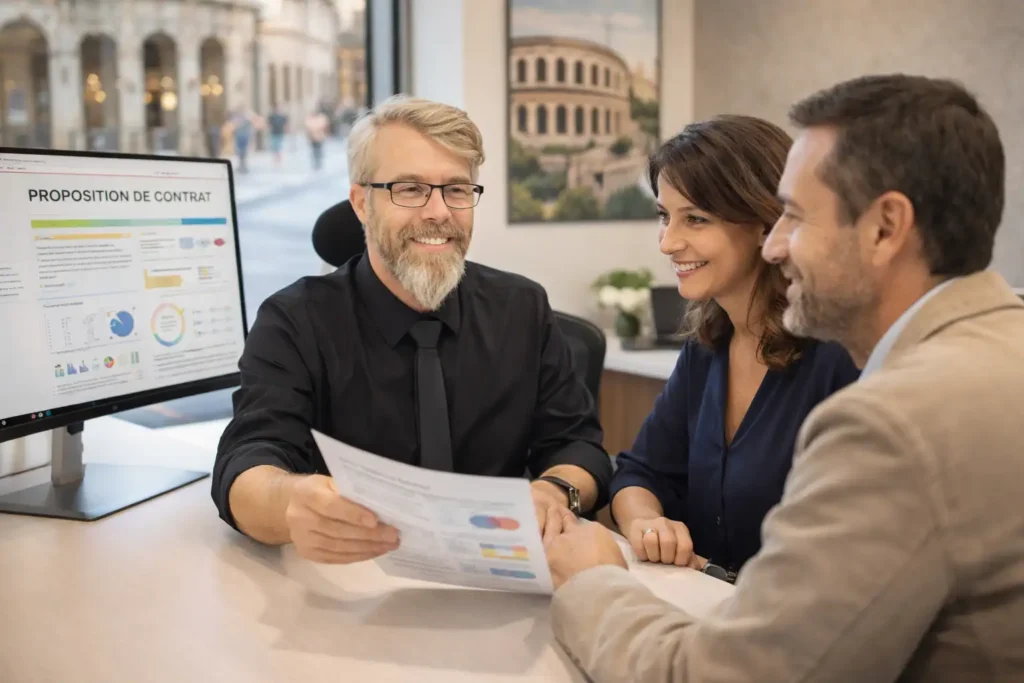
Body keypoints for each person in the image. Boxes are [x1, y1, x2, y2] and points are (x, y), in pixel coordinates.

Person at [545, 73, 1024, 682]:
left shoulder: (893, 422)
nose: (776, 245)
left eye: (794, 217)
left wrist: (592, 583)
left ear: (885, 227)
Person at [213, 95, 613, 564]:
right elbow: (248, 461)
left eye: (457, 190)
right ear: (362, 203)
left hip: (501, 585)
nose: (438, 211)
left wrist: (553, 491)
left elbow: (578, 444)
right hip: (352, 590)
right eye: (409, 189)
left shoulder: (522, 308)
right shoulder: (294, 321)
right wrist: (290, 504)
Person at [609, 116, 858, 579]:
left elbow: (850, 562)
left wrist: (714, 576)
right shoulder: (707, 349)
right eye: (665, 216)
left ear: (767, 223)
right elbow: (638, 472)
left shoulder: (840, 359)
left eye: (696, 219)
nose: (668, 242)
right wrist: (646, 522)